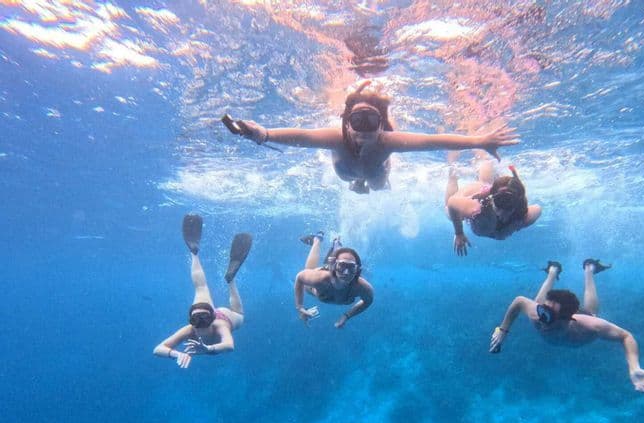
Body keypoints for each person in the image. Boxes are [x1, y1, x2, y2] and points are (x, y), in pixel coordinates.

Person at [222, 80, 519, 194]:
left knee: (378, 186)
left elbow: (434, 141)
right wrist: (263, 133)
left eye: (371, 120)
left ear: (381, 125)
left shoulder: (389, 141)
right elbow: (303, 136)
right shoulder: (336, 137)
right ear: (346, 123)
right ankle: (359, 183)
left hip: (376, 172)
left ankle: (368, 183)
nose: (363, 127)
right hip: (347, 172)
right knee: (355, 180)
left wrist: (480, 141)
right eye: (357, 119)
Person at [489, 259, 644, 393]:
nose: (541, 320)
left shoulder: (589, 326)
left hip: (583, 319)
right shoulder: (537, 315)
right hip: (562, 322)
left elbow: (626, 336)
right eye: (542, 312)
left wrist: (634, 367)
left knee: (592, 311)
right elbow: (519, 301)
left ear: (568, 319)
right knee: (537, 302)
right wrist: (503, 329)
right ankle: (553, 271)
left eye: (548, 316)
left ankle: (589, 269)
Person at [153, 214, 252, 368]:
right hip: (207, 310)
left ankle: (230, 280)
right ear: (191, 321)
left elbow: (229, 345)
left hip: (225, 316)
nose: (199, 326)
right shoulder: (191, 329)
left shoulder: (220, 325)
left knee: (239, 315)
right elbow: (158, 349)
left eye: (202, 320)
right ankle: (195, 253)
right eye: (196, 321)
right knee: (201, 287)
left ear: (212, 318)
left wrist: (208, 349)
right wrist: (176, 353)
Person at [444, 159, 541, 256]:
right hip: (477, 192)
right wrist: (459, 233)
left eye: (509, 205)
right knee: (450, 213)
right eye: (499, 202)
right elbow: (452, 202)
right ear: (493, 199)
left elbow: (537, 209)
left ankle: (485, 158)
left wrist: (518, 196)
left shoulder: (521, 216)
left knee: (487, 182)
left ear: (516, 204)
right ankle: (453, 174)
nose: (502, 212)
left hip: (493, 194)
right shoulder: (478, 207)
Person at [294, 233, 374, 328]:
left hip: (333, 268)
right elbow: (299, 277)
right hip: (323, 278)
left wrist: (346, 316)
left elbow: (368, 301)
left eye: (351, 267)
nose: (346, 272)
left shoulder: (362, 287)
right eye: (342, 266)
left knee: (338, 259)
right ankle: (317, 239)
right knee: (309, 269)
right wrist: (299, 307)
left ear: (357, 270)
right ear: (334, 267)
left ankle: (337, 245)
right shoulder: (319, 278)